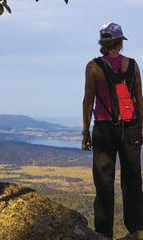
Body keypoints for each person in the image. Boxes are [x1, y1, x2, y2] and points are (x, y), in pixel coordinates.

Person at [82, 22, 143, 239]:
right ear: (120, 42)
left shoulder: (93, 67)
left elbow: (88, 102)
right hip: (131, 128)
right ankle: (137, 228)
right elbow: (139, 99)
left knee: (104, 182)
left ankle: (103, 233)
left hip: (104, 128)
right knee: (133, 179)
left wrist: (85, 132)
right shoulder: (133, 65)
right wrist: (142, 129)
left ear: (103, 43)